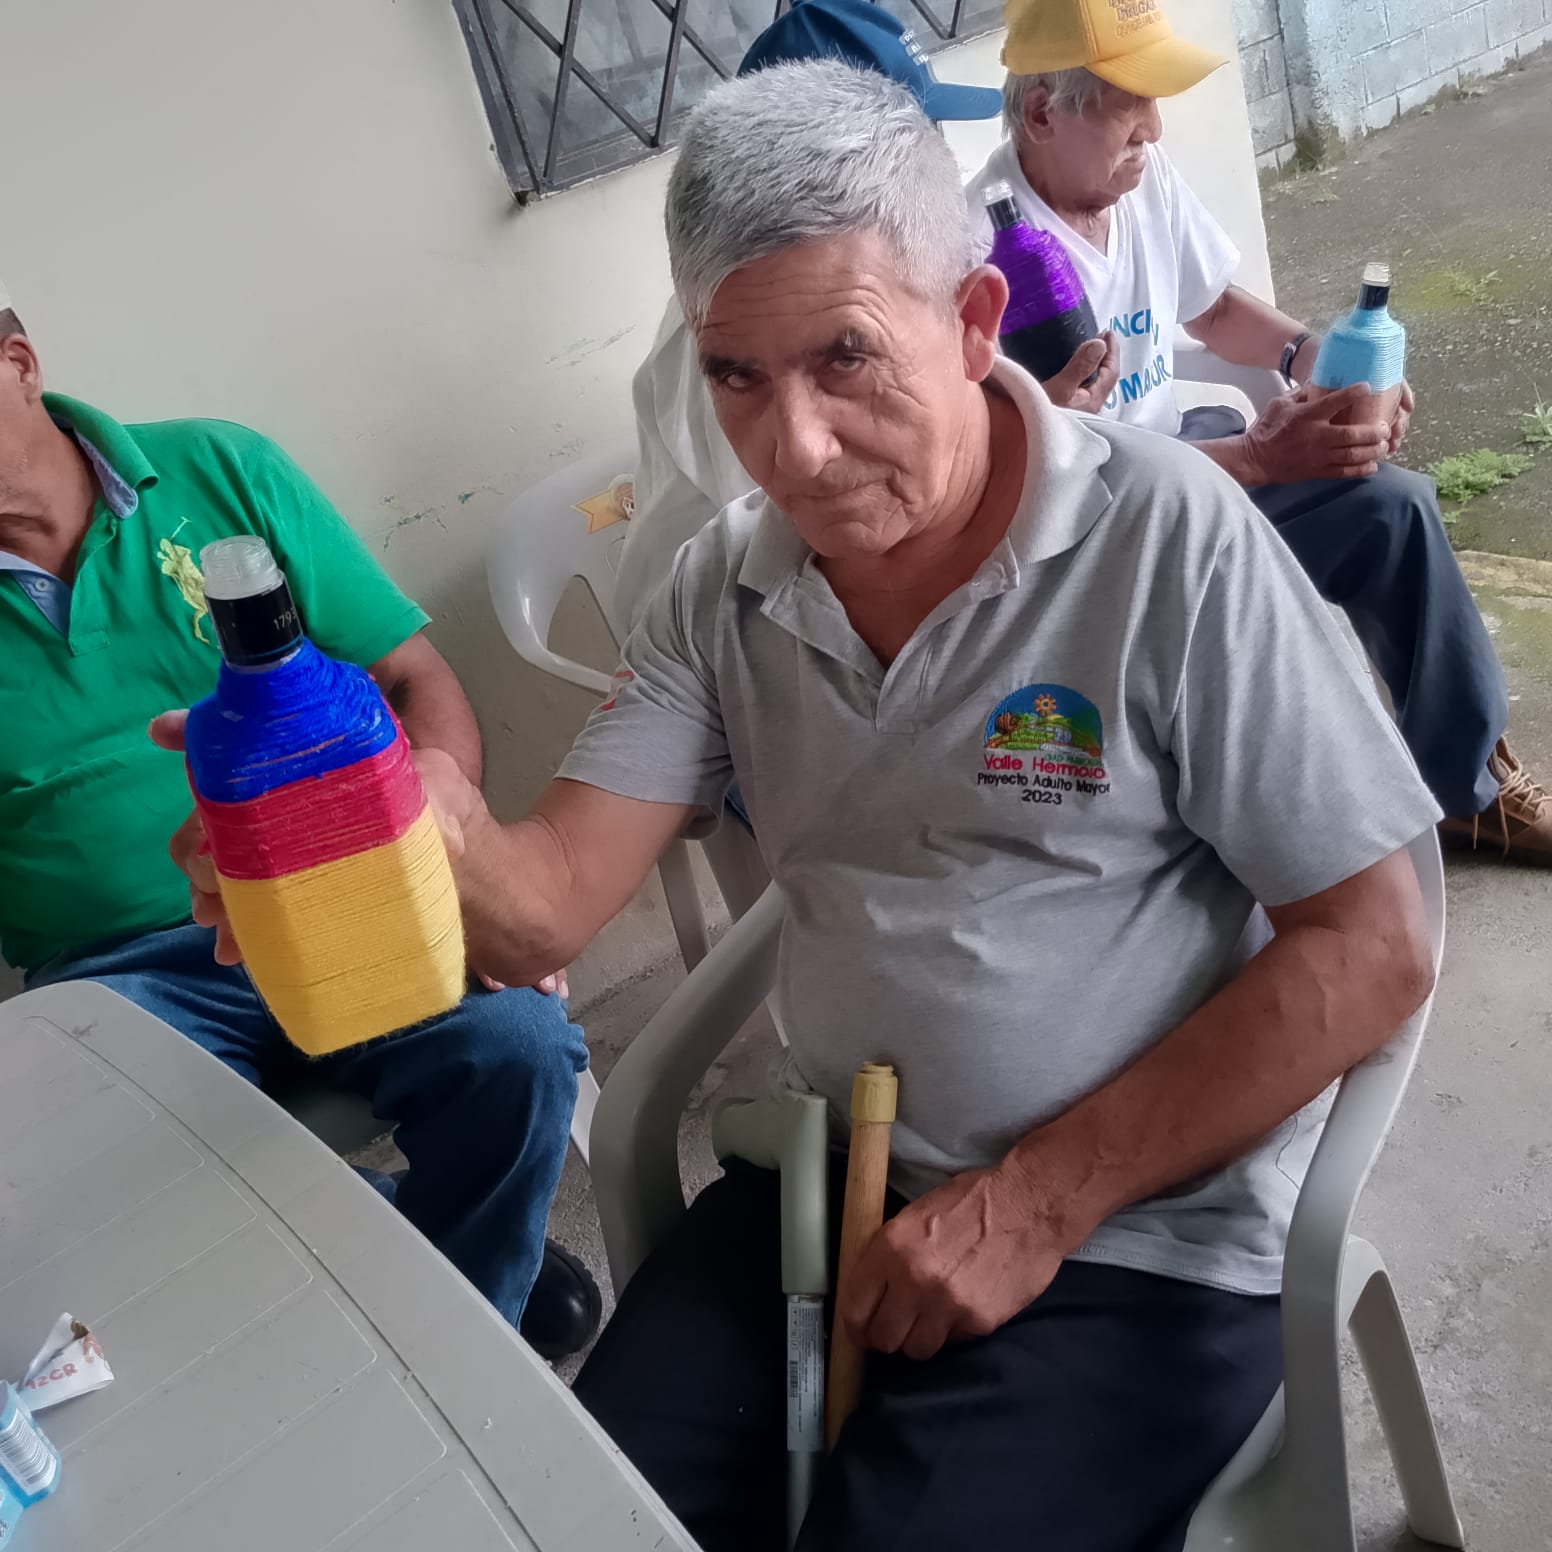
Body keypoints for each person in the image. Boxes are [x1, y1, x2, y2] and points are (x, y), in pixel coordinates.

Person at [182, 62, 1445, 1549]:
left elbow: (1374, 944)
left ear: (972, 321)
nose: (791, 448)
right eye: (736, 377)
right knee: (577, 1519)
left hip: (1133, 1229)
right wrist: (384, 819)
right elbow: (543, 914)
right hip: (836, 1171)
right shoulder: (721, 588)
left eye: (846, 358)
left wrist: (1039, 1200)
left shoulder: (1167, 541)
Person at [0, 285, 599, 1361]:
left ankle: (469, 1320)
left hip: (347, 890)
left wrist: (450, 872)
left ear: (20, 364)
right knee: (118, 1165)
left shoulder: (218, 470)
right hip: (121, 974)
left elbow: (410, 677)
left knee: (519, 1045)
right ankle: (415, 1253)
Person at [964, 0, 1550, 863]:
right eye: (1132, 104)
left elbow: (1214, 310)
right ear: (1045, 112)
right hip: (1097, 547)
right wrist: (1254, 456)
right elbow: (1040, 479)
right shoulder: (979, 253)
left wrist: (1322, 365)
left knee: (1392, 508)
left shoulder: (1141, 180)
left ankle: (1466, 786)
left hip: (1196, 475)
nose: (1154, 130)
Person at [615, 0, 1121, 634]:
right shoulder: (740, 327)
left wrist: (1030, 435)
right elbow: (821, 530)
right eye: (900, 141)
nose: (934, 157)